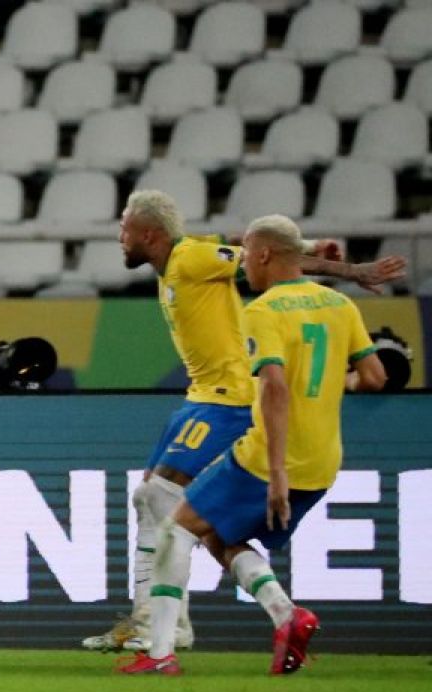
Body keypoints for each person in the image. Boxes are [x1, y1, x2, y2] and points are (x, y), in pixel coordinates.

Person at [82, 190, 405, 654]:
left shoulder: (191, 258)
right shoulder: (186, 257)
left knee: (162, 500)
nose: (119, 237)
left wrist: (349, 272)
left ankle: (161, 627)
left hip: (230, 397)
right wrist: (311, 244)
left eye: (124, 228)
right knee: (151, 498)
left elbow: (265, 259)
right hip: (202, 395)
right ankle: (159, 621)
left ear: (148, 233)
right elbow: (248, 244)